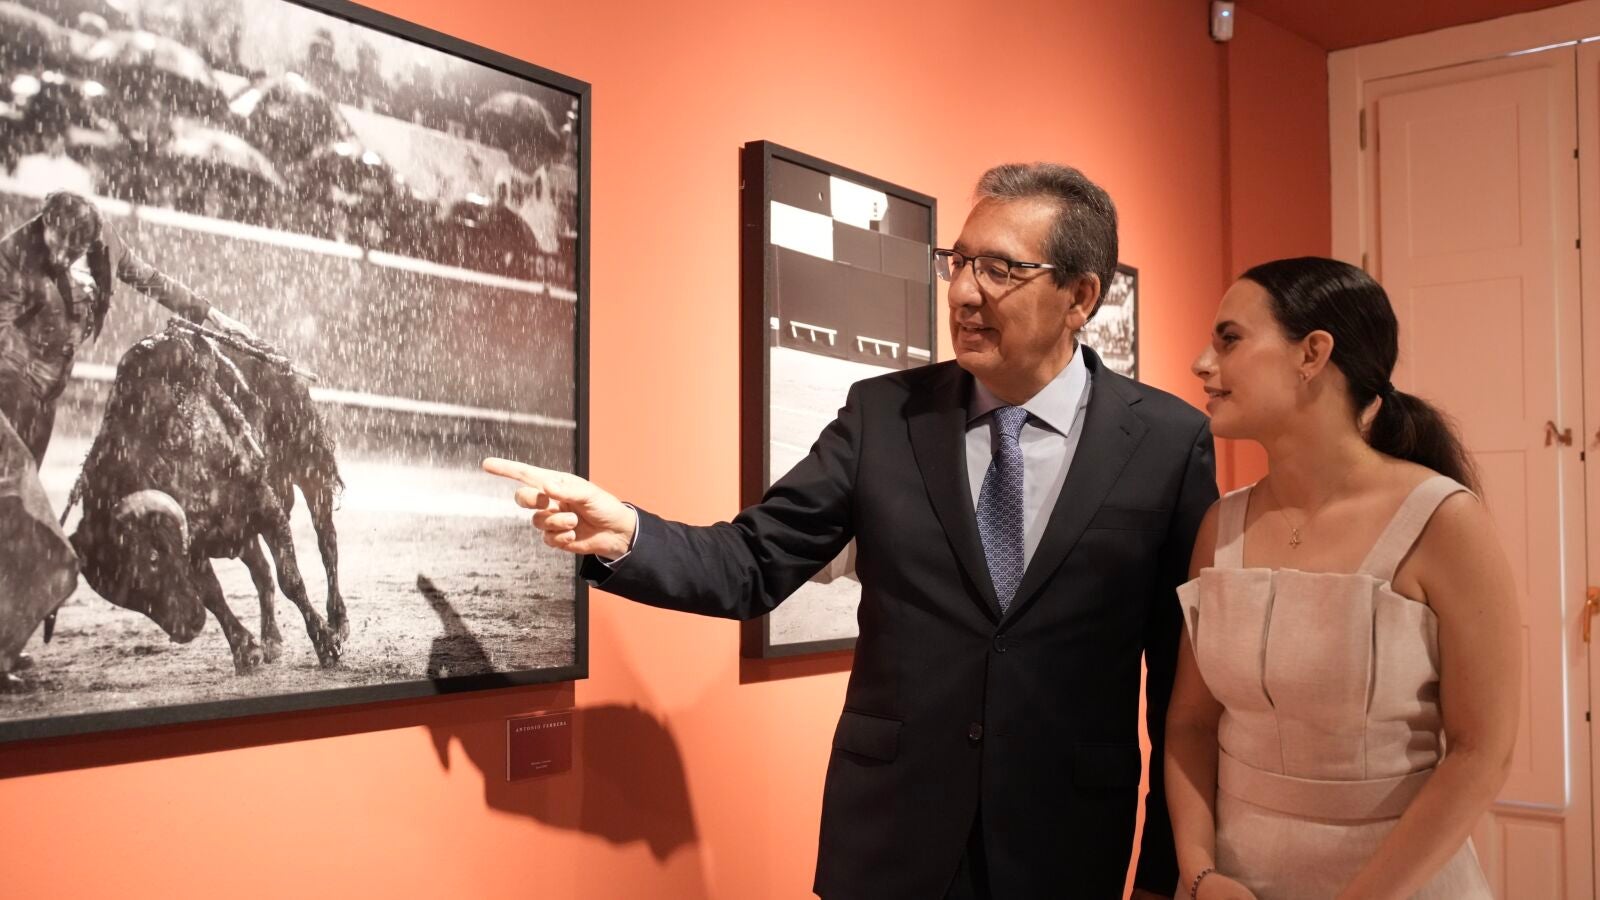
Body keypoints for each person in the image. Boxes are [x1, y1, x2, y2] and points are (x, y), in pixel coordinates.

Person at [486, 163, 1218, 899]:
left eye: (1000, 270)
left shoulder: (1165, 442)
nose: (964, 293)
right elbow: (754, 560)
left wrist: (1166, 873)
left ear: (1081, 296)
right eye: (959, 262)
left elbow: (1182, 688)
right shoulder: (884, 416)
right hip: (891, 843)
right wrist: (629, 535)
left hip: (1064, 848)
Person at [1167, 257, 1519, 899]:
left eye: (1229, 339)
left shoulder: (1444, 521)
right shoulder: (1221, 525)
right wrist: (1199, 872)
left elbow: (1480, 752)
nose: (1201, 363)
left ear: (1312, 354)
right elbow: (1190, 723)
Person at [0, 190, 253, 464]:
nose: (60, 257)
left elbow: (150, 280)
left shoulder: (105, 241)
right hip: (13, 375)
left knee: (28, 466)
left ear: (90, 242)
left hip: (54, 381)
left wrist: (210, 313)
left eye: (72, 250)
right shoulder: (11, 254)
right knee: (15, 474)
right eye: (55, 243)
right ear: (46, 222)